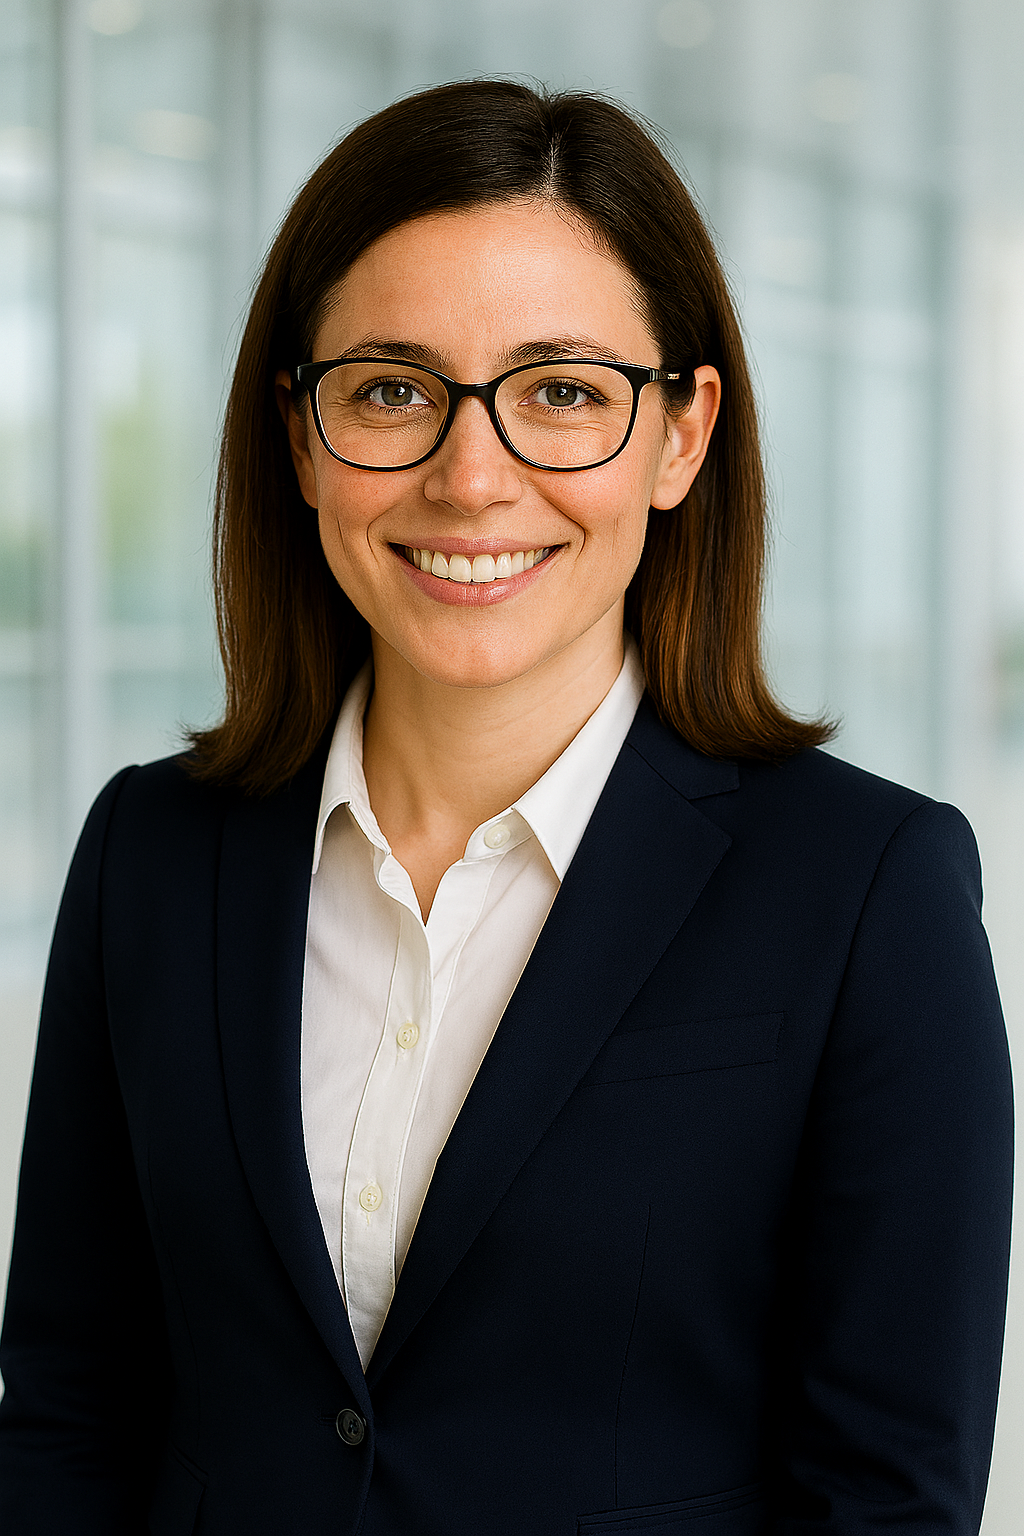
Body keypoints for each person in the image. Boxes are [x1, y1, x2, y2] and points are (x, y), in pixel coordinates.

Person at [0, 79, 1012, 1536]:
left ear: (680, 436)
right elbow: (70, 1414)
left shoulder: (867, 891)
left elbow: (887, 1499)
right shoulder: (151, 855)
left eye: (564, 394)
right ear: (301, 433)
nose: (472, 479)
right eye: (393, 389)